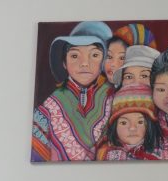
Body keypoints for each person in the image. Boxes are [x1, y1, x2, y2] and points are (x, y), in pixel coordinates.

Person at [32, 21, 113, 161]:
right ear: (64, 62)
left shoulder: (114, 98)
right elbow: (36, 152)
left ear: (104, 61)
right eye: (75, 56)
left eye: (94, 55)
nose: (84, 63)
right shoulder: (51, 106)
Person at [95, 84, 168, 160]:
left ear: (150, 125)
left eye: (140, 122)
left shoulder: (164, 151)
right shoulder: (105, 153)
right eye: (124, 123)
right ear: (114, 126)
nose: (132, 128)